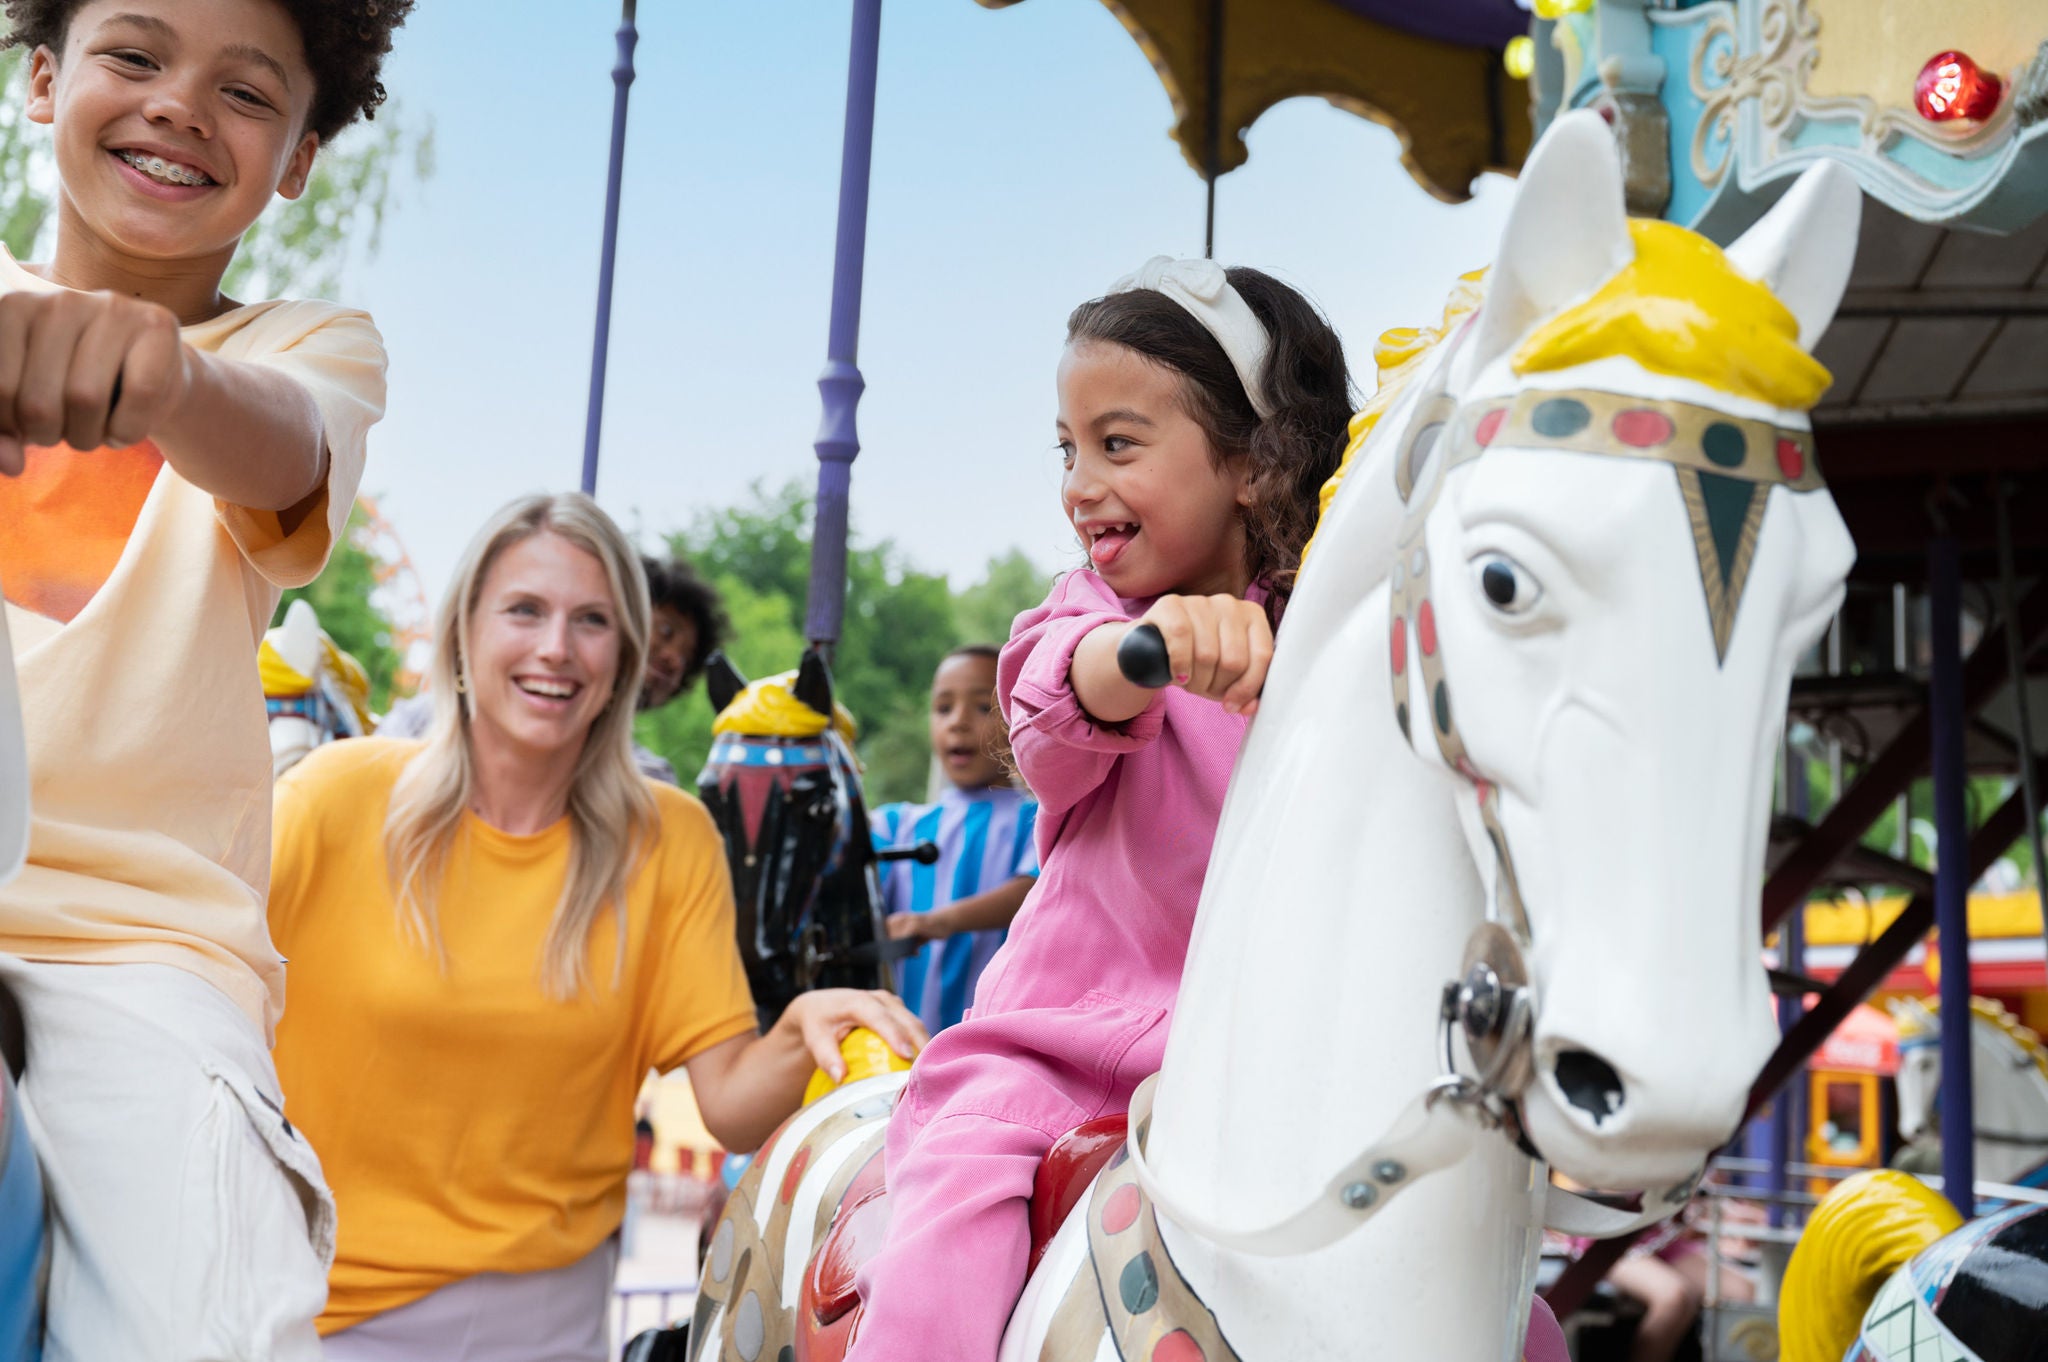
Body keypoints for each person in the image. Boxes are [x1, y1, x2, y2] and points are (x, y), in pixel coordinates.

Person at [267, 493, 925, 1360]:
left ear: (621, 660)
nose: (555, 647)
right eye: (525, 611)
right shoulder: (331, 797)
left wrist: (801, 1028)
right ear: (462, 633)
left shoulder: (669, 838)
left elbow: (728, 1102)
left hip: (540, 1319)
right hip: (302, 1307)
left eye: (592, 621)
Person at [843, 258, 1358, 1361]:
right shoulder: (1085, 616)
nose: (1079, 482)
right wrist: (1146, 651)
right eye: (1067, 449)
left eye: (1116, 444)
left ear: (1256, 466)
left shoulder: (1330, 647)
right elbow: (1048, 705)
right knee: (945, 1246)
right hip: (1059, 1055)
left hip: (1270, 1075)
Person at [0, 1, 403, 1356]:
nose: (178, 103)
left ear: (294, 157)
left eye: (243, 91)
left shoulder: (301, 354)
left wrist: (166, 378)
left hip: (126, 942)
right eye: (134, 56)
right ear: (45, 77)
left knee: (199, 1313)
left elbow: (283, 449)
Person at [380, 552, 726, 785]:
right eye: (665, 632)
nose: (671, 658)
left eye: (686, 659)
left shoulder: (647, 782)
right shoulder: (417, 728)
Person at [872, 643, 1039, 1033]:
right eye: (943, 708)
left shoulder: (1037, 818)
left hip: (993, 1037)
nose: (958, 722)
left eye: (982, 707)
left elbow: (1031, 891)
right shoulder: (897, 824)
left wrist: (937, 922)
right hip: (903, 1037)